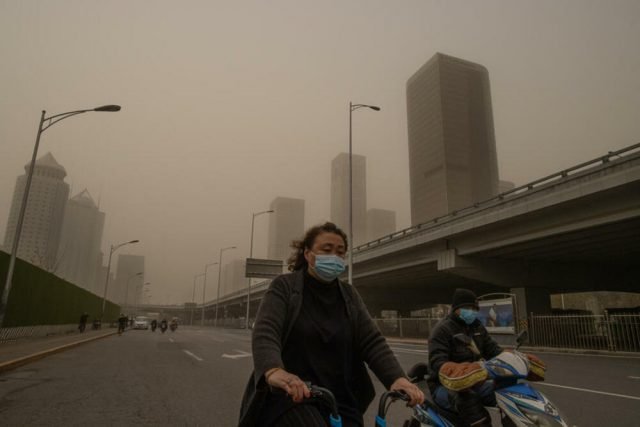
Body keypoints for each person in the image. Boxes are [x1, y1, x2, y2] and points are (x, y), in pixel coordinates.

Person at [239, 222, 423, 427]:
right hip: (293, 395)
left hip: (341, 399)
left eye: (340, 252)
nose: (334, 256)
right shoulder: (285, 287)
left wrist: (396, 378)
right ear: (308, 254)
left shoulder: (349, 295)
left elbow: (372, 342)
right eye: (326, 250)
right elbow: (266, 331)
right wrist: (274, 370)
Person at [427, 289, 502, 427]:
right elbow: (437, 361)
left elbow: (493, 350)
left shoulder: (477, 327)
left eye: (474, 308)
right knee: (468, 400)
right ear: (456, 308)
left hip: (475, 382)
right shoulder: (442, 330)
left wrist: (512, 358)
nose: (471, 311)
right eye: (467, 308)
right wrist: (458, 370)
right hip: (444, 386)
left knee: (503, 391)